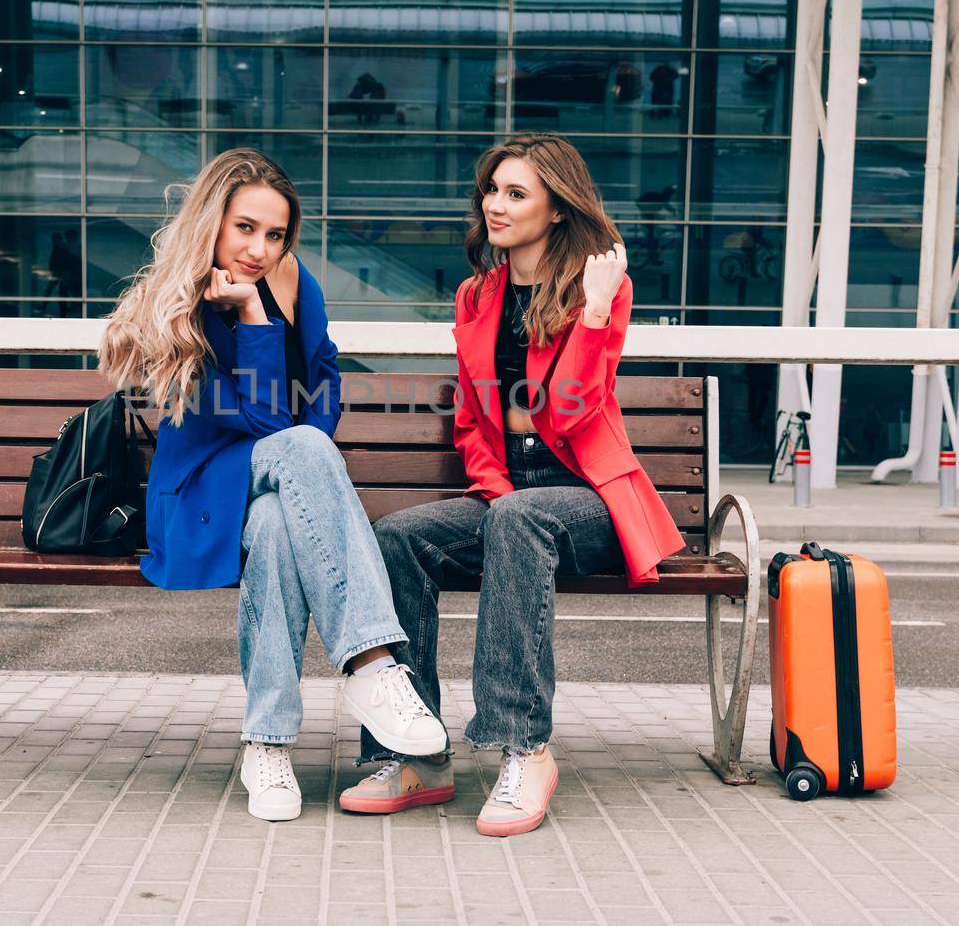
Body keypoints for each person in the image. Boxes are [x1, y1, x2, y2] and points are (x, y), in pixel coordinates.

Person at [343, 134, 685, 837]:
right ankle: (413, 755)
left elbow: (569, 413)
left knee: (523, 518)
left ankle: (524, 747)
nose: (496, 205)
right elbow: (472, 419)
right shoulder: (477, 296)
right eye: (492, 191)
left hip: (589, 503)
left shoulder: (601, 290)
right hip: (512, 503)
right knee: (398, 538)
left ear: (557, 208)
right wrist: (496, 489)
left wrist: (591, 315)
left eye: (516, 193)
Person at [98, 148, 445, 822]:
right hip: (203, 492)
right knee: (299, 446)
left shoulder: (294, 281)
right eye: (246, 229)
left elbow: (323, 379)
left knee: (278, 526)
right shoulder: (174, 309)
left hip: (276, 486)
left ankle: (267, 744)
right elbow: (260, 420)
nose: (260, 249)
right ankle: (373, 665)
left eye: (276, 234)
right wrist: (254, 322)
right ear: (213, 224)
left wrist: (302, 444)